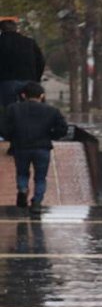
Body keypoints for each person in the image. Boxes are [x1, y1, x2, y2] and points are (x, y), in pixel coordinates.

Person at [0, 82, 69, 214]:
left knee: (22, 173)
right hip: (42, 147)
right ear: (41, 95)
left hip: (21, 147)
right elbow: (63, 128)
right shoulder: (51, 111)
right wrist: (52, 135)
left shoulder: (13, 109)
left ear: (23, 95)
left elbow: (3, 127)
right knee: (40, 177)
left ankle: (22, 189)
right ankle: (37, 202)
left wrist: (12, 137)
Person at [0, 19, 45, 108]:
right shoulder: (30, 42)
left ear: (1, 29)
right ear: (16, 29)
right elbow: (41, 61)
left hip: (6, 82)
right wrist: (36, 79)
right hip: (29, 80)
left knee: (9, 109)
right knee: (31, 108)